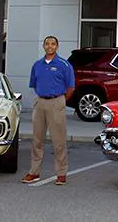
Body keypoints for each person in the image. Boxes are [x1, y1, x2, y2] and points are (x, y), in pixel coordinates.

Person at [21, 36, 75, 186]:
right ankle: (34, 172)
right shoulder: (37, 65)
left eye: (53, 44)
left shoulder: (64, 65)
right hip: (40, 102)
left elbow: (71, 87)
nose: (49, 46)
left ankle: (61, 173)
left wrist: (61, 100)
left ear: (57, 46)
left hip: (56, 102)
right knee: (37, 139)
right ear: (44, 46)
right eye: (47, 44)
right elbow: (34, 84)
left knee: (58, 140)